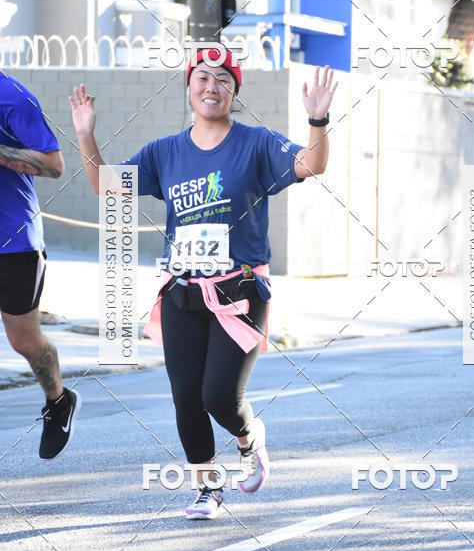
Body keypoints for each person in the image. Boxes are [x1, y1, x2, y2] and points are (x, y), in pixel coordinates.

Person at [70, 47, 338, 519]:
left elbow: (311, 165)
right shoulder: (165, 152)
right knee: (186, 397)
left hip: (240, 291)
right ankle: (207, 488)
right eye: (202, 78)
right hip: (182, 292)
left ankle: (249, 436)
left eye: (223, 80)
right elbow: (107, 186)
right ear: (189, 87)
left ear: (234, 90)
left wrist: (318, 121)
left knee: (218, 396)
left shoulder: (256, 144)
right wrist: (86, 136)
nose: (212, 87)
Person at [0, 71, 81, 459]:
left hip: (14, 242)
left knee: (24, 341)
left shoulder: (13, 98)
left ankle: (58, 400)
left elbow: (54, 165)